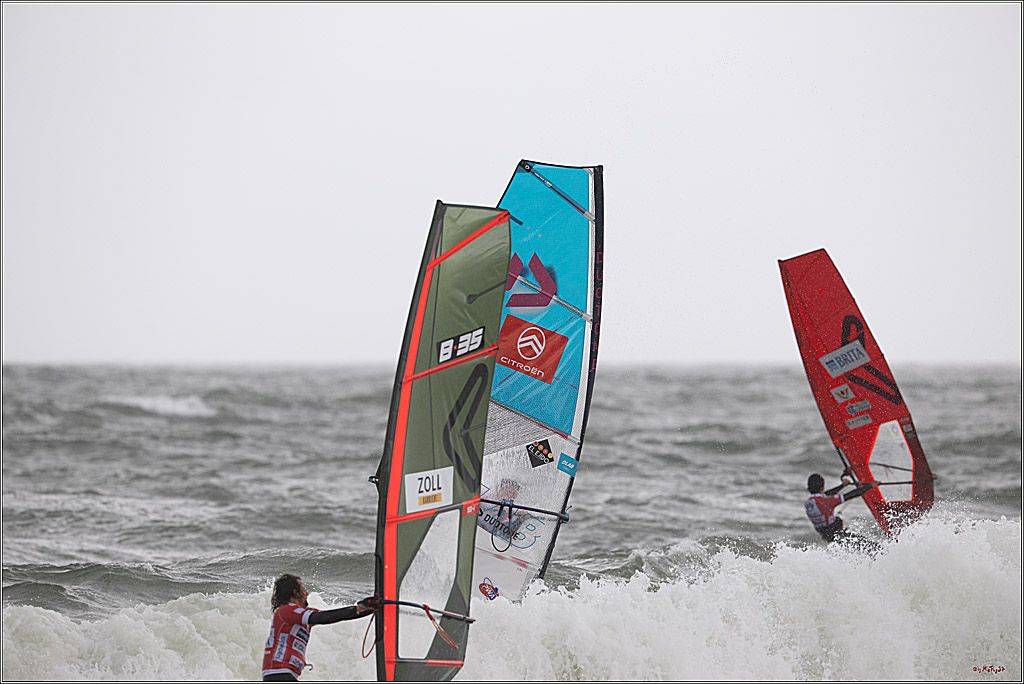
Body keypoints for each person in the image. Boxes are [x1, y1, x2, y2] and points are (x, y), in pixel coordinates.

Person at [262, 573, 380, 682]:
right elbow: (322, 617)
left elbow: (332, 616)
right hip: (277, 673)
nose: (307, 594)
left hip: (285, 674)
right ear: (295, 593)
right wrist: (358, 609)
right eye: (303, 590)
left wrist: (371, 609)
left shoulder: (303, 614)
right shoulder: (286, 611)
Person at [805, 471, 880, 542]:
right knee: (872, 546)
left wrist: (842, 486)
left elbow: (826, 495)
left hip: (827, 537)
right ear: (822, 487)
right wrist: (870, 486)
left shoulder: (809, 502)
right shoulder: (826, 501)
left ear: (808, 489)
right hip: (839, 537)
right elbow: (851, 495)